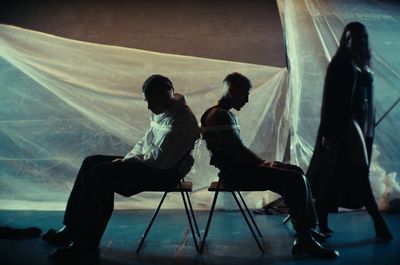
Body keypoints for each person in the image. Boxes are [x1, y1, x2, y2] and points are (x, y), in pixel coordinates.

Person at [42, 74, 200, 262]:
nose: (149, 107)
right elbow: (145, 142)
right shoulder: (162, 110)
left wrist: (127, 163)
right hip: (149, 164)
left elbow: (160, 161)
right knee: (91, 162)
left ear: (166, 97)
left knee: (101, 174)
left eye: (152, 102)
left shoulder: (182, 120)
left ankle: (86, 244)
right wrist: (127, 159)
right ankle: (71, 229)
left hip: (164, 173)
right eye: (146, 102)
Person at [200, 72, 339, 259]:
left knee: (295, 171)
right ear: (232, 92)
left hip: (239, 171)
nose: (247, 100)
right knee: (295, 179)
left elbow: (236, 152)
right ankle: (304, 238)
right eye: (245, 94)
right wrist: (264, 164)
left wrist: (264, 164)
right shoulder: (220, 115)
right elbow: (238, 151)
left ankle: (305, 232)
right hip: (236, 175)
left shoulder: (220, 114)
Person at [306, 22, 393, 241]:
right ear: (345, 40)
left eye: (362, 37)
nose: (358, 41)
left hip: (362, 126)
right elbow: (330, 101)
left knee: (334, 175)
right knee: (359, 174)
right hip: (346, 125)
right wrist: (327, 131)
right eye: (353, 37)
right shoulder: (341, 63)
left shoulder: (361, 63)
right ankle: (379, 224)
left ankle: (320, 221)